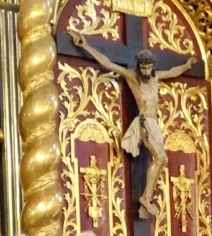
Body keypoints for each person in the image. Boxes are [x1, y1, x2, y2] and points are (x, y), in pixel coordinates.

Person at [69, 31, 198, 219]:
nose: (146, 72)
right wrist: (85, 45)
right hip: (144, 122)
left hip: (154, 122)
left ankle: (146, 198)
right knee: (160, 158)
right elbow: (108, 63)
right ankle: (146, 198)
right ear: (139, 67)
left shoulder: (155, 77)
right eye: (143, 68)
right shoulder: (131, 76)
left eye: (149, 68)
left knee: (162, 159)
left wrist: (186, 66)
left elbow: (172, 72)